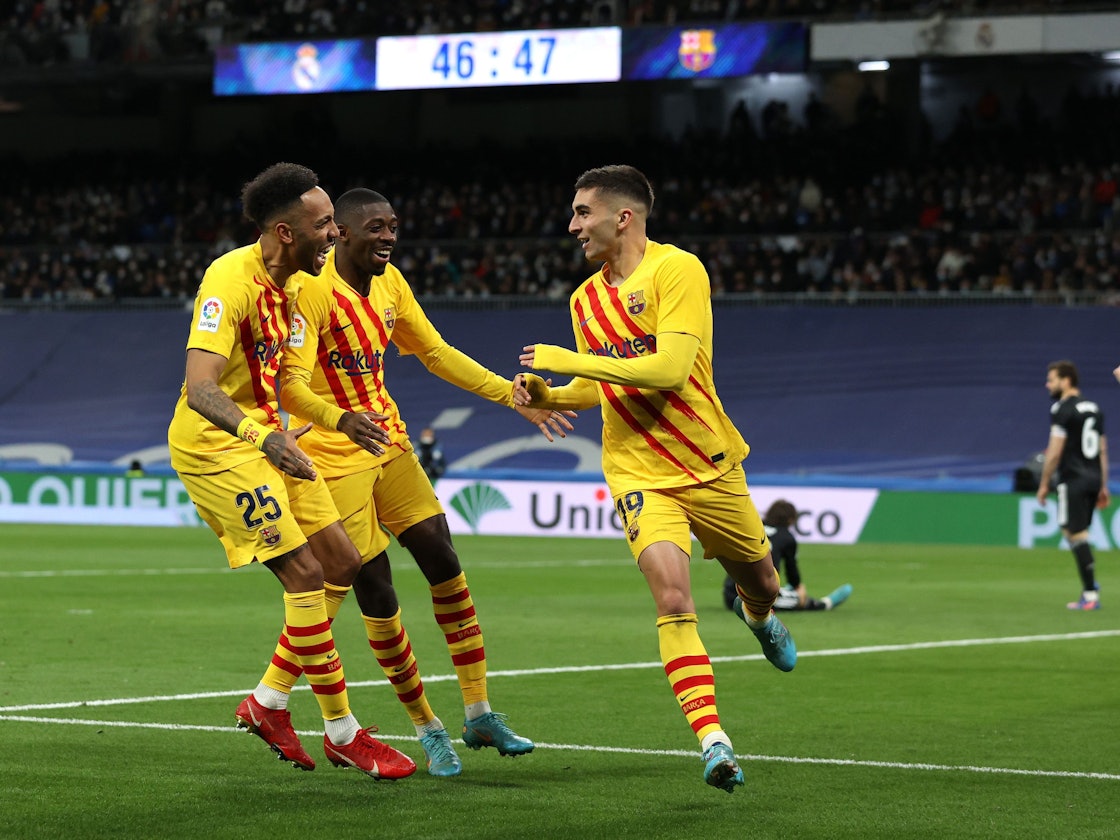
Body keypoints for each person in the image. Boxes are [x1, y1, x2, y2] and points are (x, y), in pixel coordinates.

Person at [273, 187, 575, 776]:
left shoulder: (391, 285)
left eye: (394, 226)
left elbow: (434, 351)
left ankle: (479, 710)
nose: (389, 237)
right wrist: (336, 420)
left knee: (442, 555)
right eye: (376, 228)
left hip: (389, 442)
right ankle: (427, 727)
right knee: (376, 590)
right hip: (333, 457)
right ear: (343, 235)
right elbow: (291, 384)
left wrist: (507, 394)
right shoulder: (309, 292)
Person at [517, 164, 796, 794]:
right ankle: (714, 742)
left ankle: (758, 619)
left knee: (764, 580)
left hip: (707, 462)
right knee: (673, 599)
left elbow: (669, 369)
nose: (572, 226)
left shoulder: (678, 270)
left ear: (624, 217)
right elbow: (601, 382)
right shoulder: (584, 299)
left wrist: (565, 360)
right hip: (637, 472)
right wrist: (552, 391)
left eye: (582, 212)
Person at [167, 163, 416, 780]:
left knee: (342, 563)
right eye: (324, 223)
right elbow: (201, 388)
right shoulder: (230, 279)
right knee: (306, 574)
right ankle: (343, 732)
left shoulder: (303, 287)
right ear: (285, 232)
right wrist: (262, 436)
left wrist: (332, 419)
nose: (335, 233)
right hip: (216, 447)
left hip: (271, 440)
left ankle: (269, 702)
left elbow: (290, 382)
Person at [1037, 360, 1109, 610]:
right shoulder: (1095, 408)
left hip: (1073, 478)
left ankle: (1090, 594)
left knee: (1074, 533)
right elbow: (1102, 449)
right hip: (1092, 477)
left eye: (1052, 379)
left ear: (1066, 380)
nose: (1048, 384)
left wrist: (1044, 483)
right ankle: (1090, 587)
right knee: (1078, 533)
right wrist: (1103, 484)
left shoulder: (1062, 409)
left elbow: (1054, 452)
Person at [721, 499, 852, 612]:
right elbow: (791, 570)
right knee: (799, 599)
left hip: (731, 593)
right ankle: (823, 604)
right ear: (790, 520)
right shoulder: (786, 538)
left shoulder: (755, 527)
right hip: (756, 597)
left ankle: (787, 592)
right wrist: (797, 586)